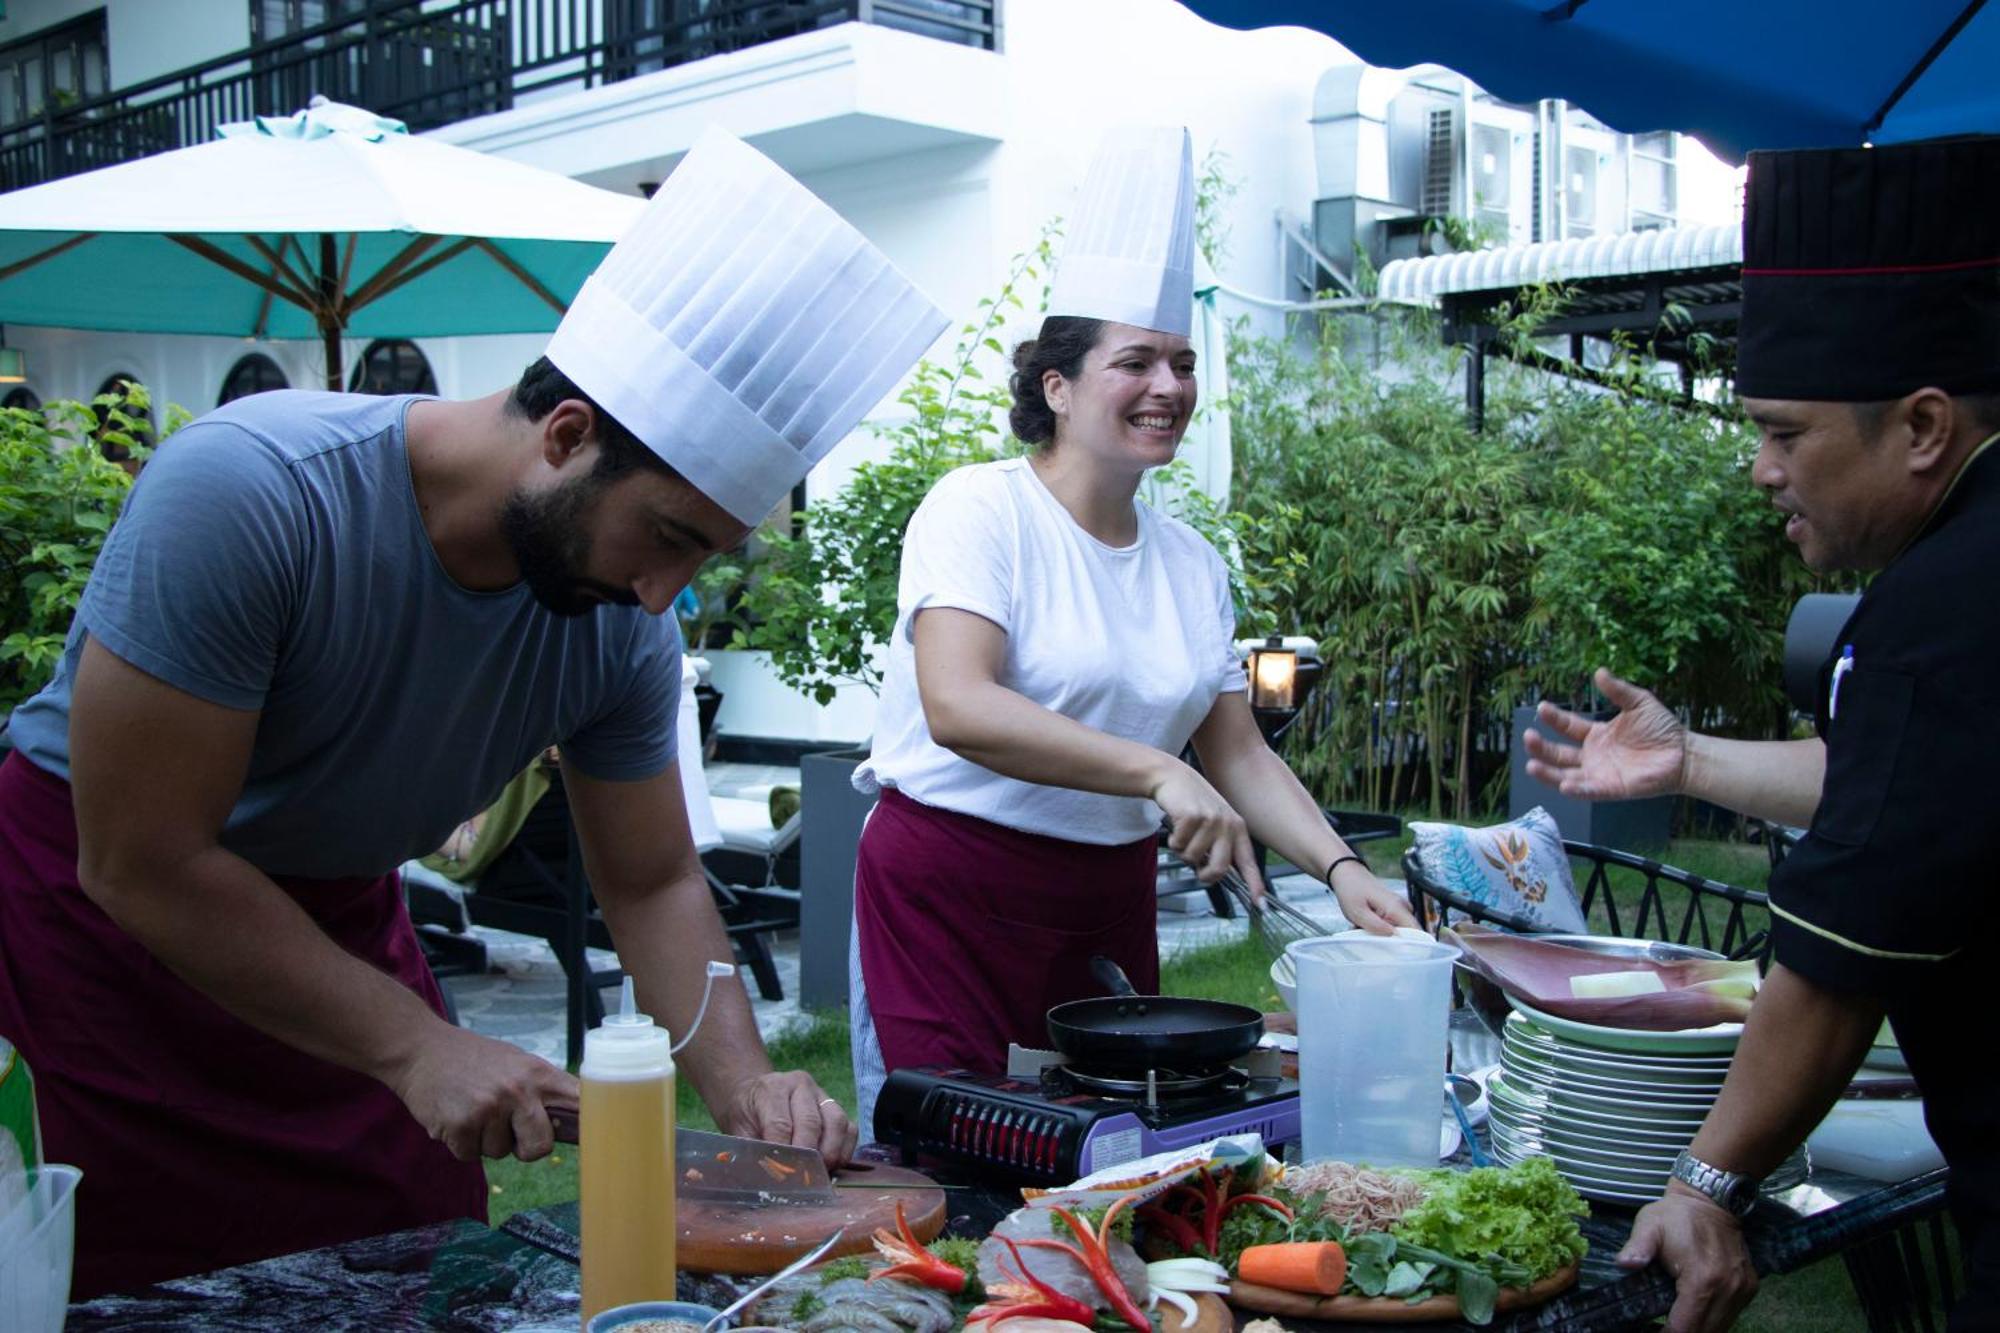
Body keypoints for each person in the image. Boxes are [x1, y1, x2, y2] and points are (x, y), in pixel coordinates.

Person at [0, 128, 945, 1297]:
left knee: (413, 1261)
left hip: (338, 923)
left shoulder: (623, 627)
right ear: (565, 435)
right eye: (664, 537)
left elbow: (648, 880)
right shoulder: (249, 492)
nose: (661, 598)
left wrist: (744, 1082)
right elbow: (141, 858)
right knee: (141, 1287)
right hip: (100, 941)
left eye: (700, 557)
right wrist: (413, 1043)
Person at [1522, 135, 2000, 1333]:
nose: (1759, 470)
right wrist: (1692, 763)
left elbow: (1838, 964)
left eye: (1785, 433)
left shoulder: (1946, 601)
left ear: (1923, 425)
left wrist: (1703, 1180)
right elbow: (1908, 789)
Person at [848, 127, 1414, 1130]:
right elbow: (959, 704)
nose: (1168, 386)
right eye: (1136, 361)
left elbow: (1235, 755)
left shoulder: (1192, 566)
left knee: (1117, 1152)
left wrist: (1339, 870)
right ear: (1056, 387)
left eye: (1183, 363)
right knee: (954, 1158)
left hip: (1101, 899)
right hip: (948, 888)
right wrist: (1155, 771)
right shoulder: (978, 510)